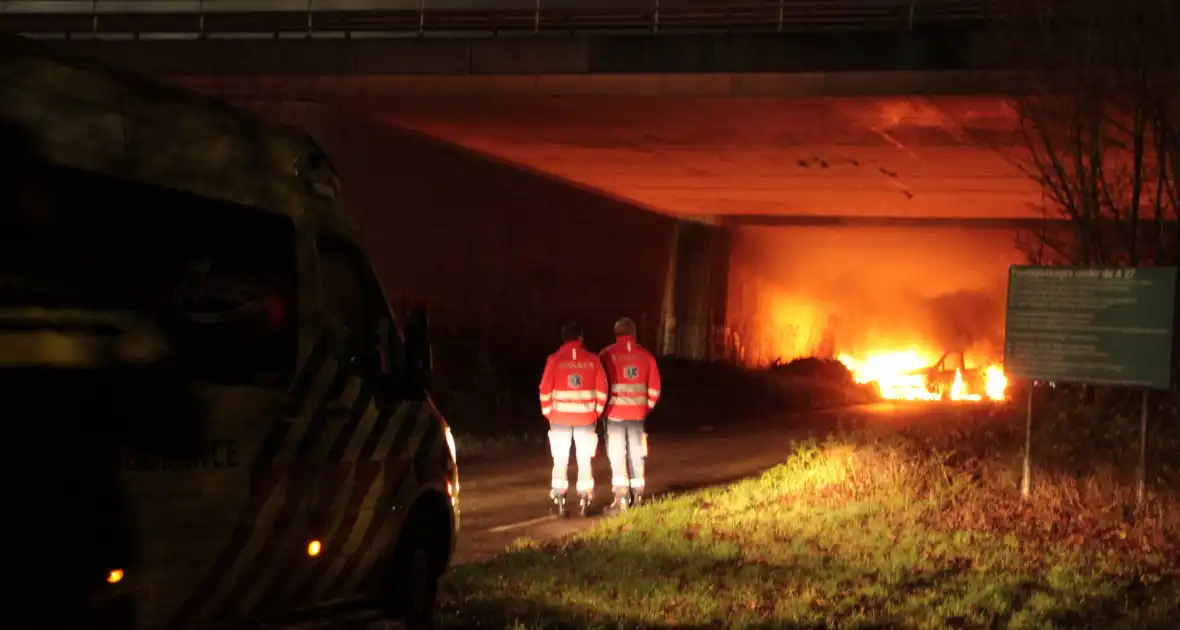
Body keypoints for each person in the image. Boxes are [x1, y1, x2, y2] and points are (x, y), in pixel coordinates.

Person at [538, 321, 608, 517]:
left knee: (559, 460)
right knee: (584, 459)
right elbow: (602, 389)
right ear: (581, 337)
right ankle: (585, 499)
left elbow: (544, 389)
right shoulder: (593, 360)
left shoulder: (554, 359)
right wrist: (596, 412)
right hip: (586, 418)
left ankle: (560, 501)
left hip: (559, 418)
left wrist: (548, 412)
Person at [599, 317, 662, 514]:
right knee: (637, 454)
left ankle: (621, 499)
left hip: (614, 415)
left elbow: (601, 386)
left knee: (617, 455)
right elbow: (655, 389)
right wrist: (645, 409)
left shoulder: (606, 355)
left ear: (616, 335)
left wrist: (601, 409)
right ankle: (638, 495)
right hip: (637, 416)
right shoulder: (646, 357)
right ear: (634, 334)